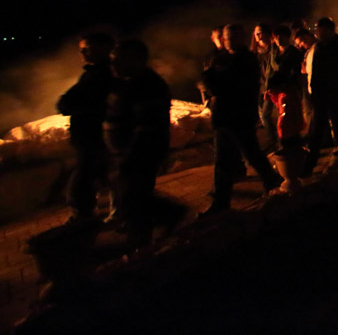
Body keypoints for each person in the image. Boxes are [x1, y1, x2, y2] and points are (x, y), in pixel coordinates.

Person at [105, 39, 184, 245]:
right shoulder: (128, 83)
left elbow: (146, 128)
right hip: (129, 152)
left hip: (142, 153)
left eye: (119, 60)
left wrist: (128, 156)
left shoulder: (148, 85)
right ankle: (142, 235)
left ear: (137, 60)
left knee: (135, 197)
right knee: (133, 197)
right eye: (113, 60)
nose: (114, 65)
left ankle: (147, 235)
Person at [201, 24, 283, 216]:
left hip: (239, 117)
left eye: (233, 37)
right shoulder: (223, 58)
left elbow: (226, 86)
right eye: (226, 37)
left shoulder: (246, 60)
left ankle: (274, 184)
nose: (228, 40)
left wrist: (210, 78)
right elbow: (217, 82)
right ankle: (221, 202)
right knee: (223, 161)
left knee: (252, 154)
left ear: (241, 39)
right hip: (224, 118)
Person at [57, 33, 115, 223]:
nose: (82, 53)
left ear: (104, 48)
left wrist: (71, 105)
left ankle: (82, 218)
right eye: (81, 49)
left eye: (87, 48)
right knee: (101, 176)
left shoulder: (102, 74)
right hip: (92, 134)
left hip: (94, 135)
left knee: (82, 181)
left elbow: (69, 102)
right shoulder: (94, 73)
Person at [308, 17, 338, 165]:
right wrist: (314, 91)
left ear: (331, 31)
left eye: (322, 31)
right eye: (318, 31)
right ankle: (311, 159)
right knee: (317, 127)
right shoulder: (319, 46)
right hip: (321, 94)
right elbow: (315, 70)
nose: (319, 33)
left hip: (337, 94)